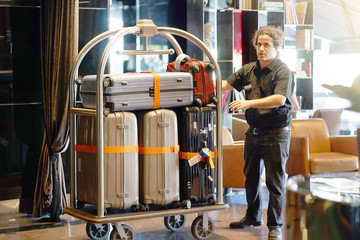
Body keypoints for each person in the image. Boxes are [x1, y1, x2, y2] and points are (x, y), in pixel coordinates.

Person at [221, 26, 294, 240]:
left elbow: (279, 100)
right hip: (253, 133)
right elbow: (225, 85)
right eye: (259, 44)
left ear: (277, 48)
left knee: (274, 182)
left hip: (276, 134)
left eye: (266, 45)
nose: (261, 49)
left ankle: (275, 226)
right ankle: (252, 216)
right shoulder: (249, 69)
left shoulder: (283, 71)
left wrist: (247, 103)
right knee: (250, 178)